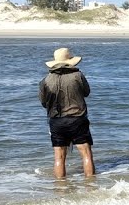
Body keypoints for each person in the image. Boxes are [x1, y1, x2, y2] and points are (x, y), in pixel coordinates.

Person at [39, 47, 95, 178]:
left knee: (59, 157)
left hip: (56, 121)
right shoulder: (78, 75)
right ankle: (90, 186)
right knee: (86, 154)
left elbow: (43, 102)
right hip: (77, 118)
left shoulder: (46, 80)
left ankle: (60, 188)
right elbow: (86, 93)